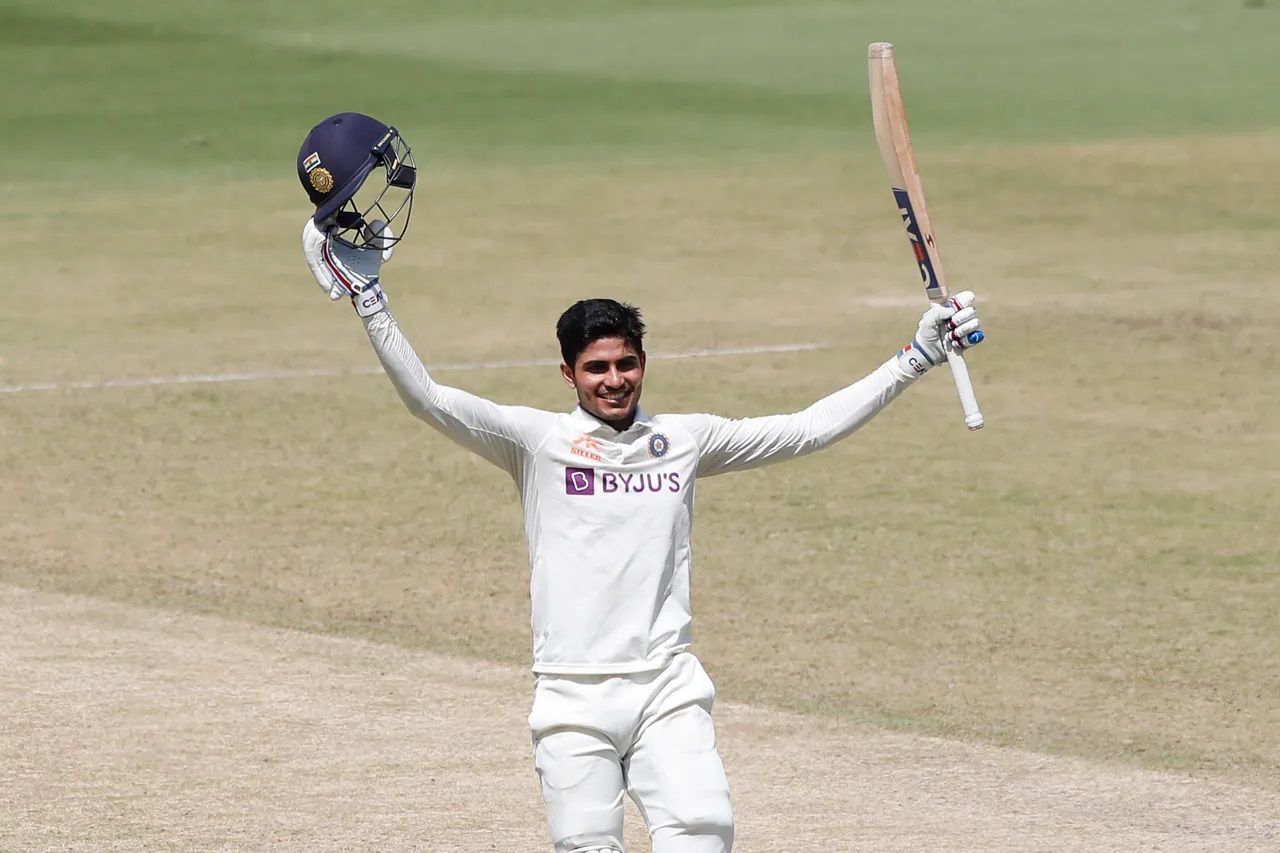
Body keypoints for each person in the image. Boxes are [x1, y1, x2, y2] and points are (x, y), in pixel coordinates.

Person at [297, 113, 984, 853]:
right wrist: (370, 302)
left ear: (643, 363)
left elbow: (808, 427)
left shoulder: (683, 441)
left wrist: (916, 357)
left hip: (666, 686)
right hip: (571, 695)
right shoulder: (537, 443)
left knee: (702, 830)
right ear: (569, 374)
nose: (614, 379)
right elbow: (429, 399)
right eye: (596, 368)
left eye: (626, 363)